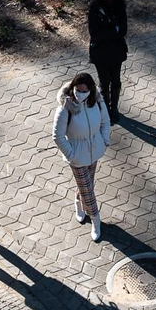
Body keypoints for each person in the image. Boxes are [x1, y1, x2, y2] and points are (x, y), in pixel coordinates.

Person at [52, 73, 112, 241]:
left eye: (84, 91)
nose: (79, 94)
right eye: (77, 90)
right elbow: (57, 135)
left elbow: (105, 122)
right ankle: (96, 219)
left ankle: (78, 203)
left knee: (87, 186)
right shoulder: (66, 107)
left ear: (91, 90)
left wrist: (104, 140)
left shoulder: (97, 102)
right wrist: (71, 154)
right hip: (77, 157)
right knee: (88, 190)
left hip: (95, 152)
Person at [87, 0, 128, 119]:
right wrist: (113, 31)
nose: (109, 0)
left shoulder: (119, 8)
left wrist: (108, 32)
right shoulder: (94, 8)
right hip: (100, 53)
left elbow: (123, 30)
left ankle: (114, 109)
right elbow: (95, 34)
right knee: (104, 82)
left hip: (116, 51)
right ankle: (105, 110)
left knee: (115, 80)